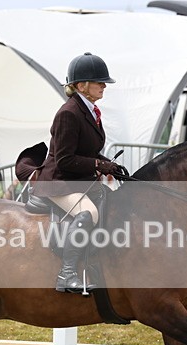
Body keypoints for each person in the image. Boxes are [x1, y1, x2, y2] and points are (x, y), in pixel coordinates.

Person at [32, 52, 125, 294]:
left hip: (77, 180)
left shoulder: (90, 111)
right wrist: (97, 165)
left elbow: (87, 150)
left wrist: (109, 165)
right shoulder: (69, 113)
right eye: (99, 81)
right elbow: (64, 160)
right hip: (58, 182)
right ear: (81, 85)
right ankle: (67, 274)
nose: (104, 85)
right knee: (88, 213)